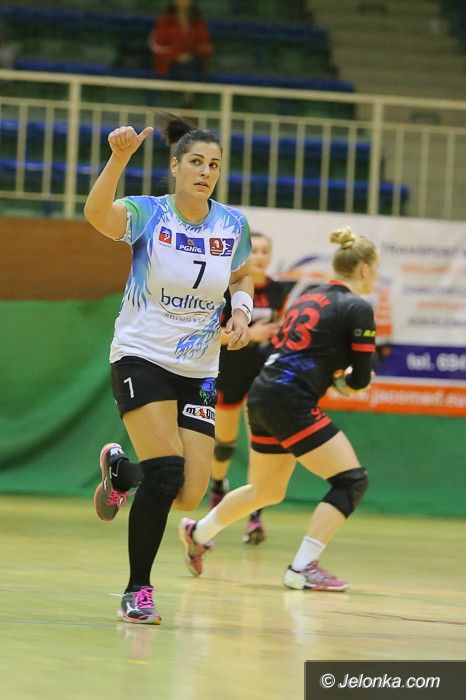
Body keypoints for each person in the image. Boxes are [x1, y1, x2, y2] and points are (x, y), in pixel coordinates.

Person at [84, 111, 253, 624]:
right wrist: (117, 160)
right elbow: (97, 215)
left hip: (199, 368)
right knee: (165, 472)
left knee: (188, 493)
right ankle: (137, 591)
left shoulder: (232, 224)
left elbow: (241, 275)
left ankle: (121, 472)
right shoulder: (148, 213)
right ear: (175, 166)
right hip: (142, 355)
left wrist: (242, 312)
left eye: (213, 165)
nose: (205, 172)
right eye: (196, 162)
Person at [178, 226, 379, 590]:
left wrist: (337, 375)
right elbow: (360, 379)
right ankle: (303, 567)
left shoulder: (308, 297)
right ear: (364, 269)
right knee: (352, 481)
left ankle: (198, 533)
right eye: (375, 270)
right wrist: (349, 383)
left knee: (266, 490)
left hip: (262, 393)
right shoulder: (358, 308)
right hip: (291, 401)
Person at [210, 232, 290, 544]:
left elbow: (283, 329)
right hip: (230, 372)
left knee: (262, 447)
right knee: (224, 445)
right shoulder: (226, 288)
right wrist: (250, 335)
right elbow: (212, 335)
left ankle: (256, 516)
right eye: (254, 251)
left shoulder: (278, 290)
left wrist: (277, 336)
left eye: (265, 251)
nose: (260, 256)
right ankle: (218, 489)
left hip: (263, 377)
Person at [149, 0, 212, 81]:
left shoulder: (199, 21)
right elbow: (158, 46)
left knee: (191, 68)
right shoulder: (164, 19)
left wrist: (190, 55)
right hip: (169, 64)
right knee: (182, 70)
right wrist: (177, 56)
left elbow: (205, 46)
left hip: (193, 63)